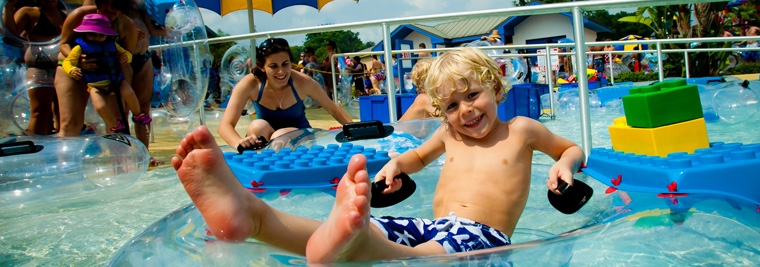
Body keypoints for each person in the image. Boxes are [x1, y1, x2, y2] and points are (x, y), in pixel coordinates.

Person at [172, 47, 584, 263]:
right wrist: (393, 166)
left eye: (473, 95)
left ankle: (356, 246)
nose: (466, 111)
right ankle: (256, 217)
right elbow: (415, 159)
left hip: (484, 240)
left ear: (495, 88)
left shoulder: (521, 131)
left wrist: (564, 164)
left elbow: (571, 148)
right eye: (452, 106)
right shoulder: (448, 135)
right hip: (433, 227)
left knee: (417, 258)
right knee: (375, 230)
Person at [218, 38, 352, 151]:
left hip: (302, 139)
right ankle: (261, 163)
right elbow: (225, 126)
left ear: (291, 63)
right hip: (267, 138)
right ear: (261, 66)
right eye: (273, 66)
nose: (281, 71)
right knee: (256, 126)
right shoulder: (251, 84)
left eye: (285, 64)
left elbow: (334, 110)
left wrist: (357, 132)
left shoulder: (302, 82)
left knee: (280, 135)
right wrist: (240, 144)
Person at [84, 0, 166, 166]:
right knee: (120, 111)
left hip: (143, 56)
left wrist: (173, 29)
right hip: (118, 58)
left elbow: (151, 27)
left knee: (143, 109)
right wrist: (126, 31)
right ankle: (118, 158)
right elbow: (90, 22)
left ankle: (144, 154)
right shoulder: (104, 3)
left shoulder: (142, 3)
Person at [55, 0, 138, 136]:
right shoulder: (80, 15)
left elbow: (127, 57)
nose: (110, 7)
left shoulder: (127, 26)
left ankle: (116, 155)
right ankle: (65, 157)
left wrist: (123, 59)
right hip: (73, 69)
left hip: (107, 74)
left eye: (115, 4)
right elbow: (63, 43)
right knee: (70, 122)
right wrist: (78, 60)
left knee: (118, 119)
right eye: (105, 2)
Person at [3, 0, 66, 135]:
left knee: (63, 111)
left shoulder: (65, 14)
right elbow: (11, 33)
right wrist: (8, 7)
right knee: (40, 111)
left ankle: (61, 148)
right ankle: (38, 146)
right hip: (39, 67)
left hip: (62, 68)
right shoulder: (30, 12)